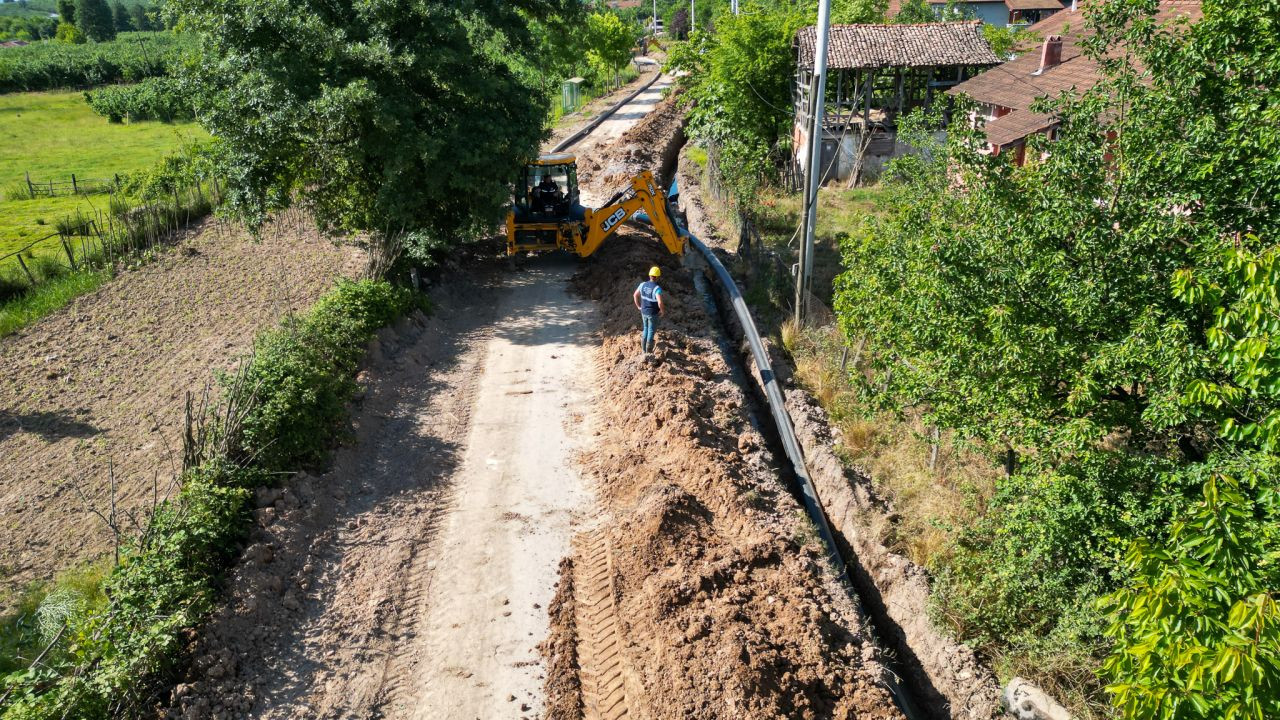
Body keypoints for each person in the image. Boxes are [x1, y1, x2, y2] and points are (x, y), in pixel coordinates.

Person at [633, 266, 666, 355]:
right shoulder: (657, 289)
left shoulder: (642, 284)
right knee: (651, 330)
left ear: (649, 275)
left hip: (643, 312)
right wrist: (662, 311)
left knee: (646, 329)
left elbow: (635, 295)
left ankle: (643, 350)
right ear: (658, 277)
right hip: (653, 313)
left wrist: (638, 307)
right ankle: (649, 351)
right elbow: (660, 302)